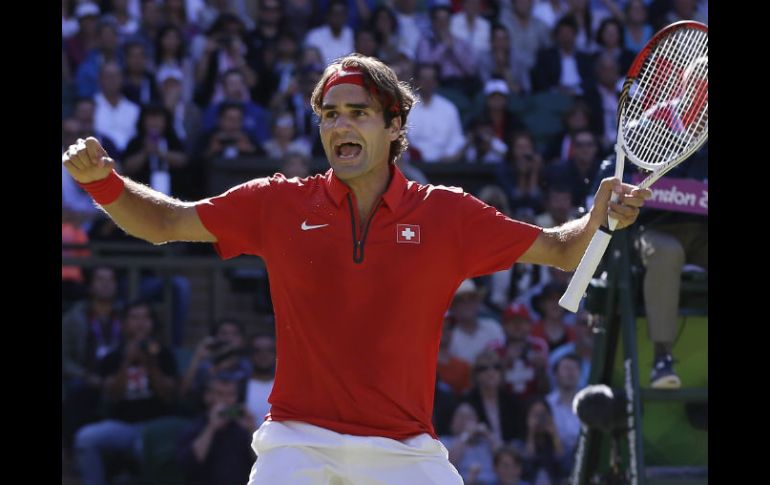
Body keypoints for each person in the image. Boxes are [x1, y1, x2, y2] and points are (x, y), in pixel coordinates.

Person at [63, 53, 650, 484]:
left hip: (406, 451)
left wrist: (601, 216)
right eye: (330, 114)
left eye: (358, 113)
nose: (340, 126)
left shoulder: (447, 215)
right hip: (296, 444)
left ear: (395, 126)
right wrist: (103, 184)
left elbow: (560, 249)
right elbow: (165, 224)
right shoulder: (277, 203)